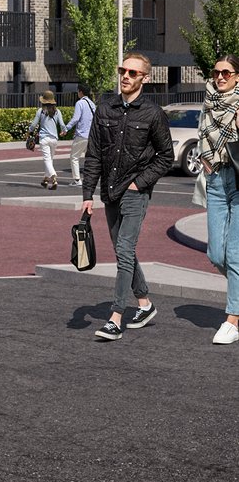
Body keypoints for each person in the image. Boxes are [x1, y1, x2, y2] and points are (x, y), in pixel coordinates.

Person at [83, 52, 175, 342]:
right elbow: (94, 155)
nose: (125, 76)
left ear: (144, 78)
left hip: (135, 193)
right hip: (109, 192)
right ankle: (145, 304)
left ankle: (116, 317)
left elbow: (166, 157)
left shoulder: (153, 114)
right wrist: (88, 195)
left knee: (124, 250)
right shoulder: (104, 109)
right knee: (124, 251)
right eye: (123, 70)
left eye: (133, 73)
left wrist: (140, 184)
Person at [197, 57, 239, 345]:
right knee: (215, 255)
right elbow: (202, 135)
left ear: (237, 76)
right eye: (216, 72)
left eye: (226, 72)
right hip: (214, 181)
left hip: (238, 182)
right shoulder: (208, 101)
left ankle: (232, 320)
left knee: (235, 254)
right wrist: (203, 155)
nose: (220, 76)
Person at [33, 91, 71, 189]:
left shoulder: (41, 111)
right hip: (54, 139)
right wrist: (64, 131)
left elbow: (34, 124)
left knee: (47, 159)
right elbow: (62, 125)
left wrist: (29, 132)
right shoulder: (57, 111)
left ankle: (54, 178)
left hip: (44, 139)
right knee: (50, 160)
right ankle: (45, 179)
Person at [66, 83, 96, 186]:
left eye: (78, 91)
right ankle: (89, 179)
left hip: (81, 135)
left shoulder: (80, 103)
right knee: (89, 159)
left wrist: (66, 128)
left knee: (74, 157)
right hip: (91, 135)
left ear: (81, 92)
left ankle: (77, 180)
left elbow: (76, 118)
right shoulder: (92, 104)